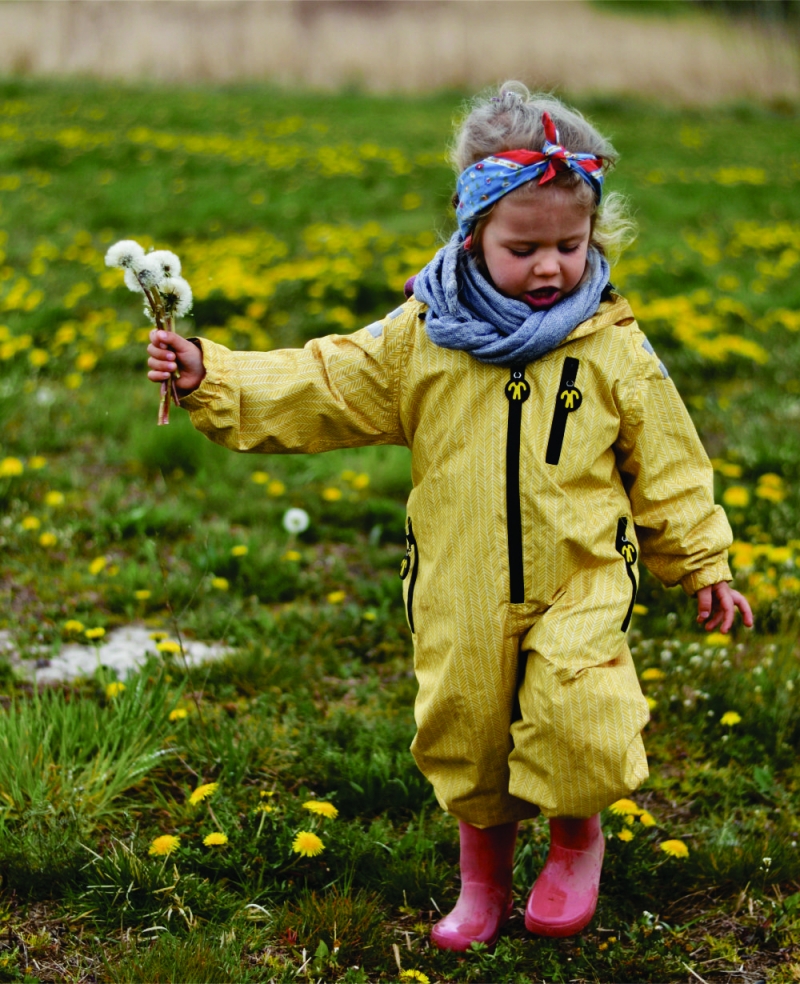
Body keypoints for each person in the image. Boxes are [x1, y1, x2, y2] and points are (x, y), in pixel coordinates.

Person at [146, 83, 753, 950]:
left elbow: (671, 462)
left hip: (579, 576)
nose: (551, 267)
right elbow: (323, 381)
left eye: (570, 245)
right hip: (459, 579)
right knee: (466, 728)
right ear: (472, 234)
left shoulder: (612, 345)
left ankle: (577, 841)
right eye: (525, 247)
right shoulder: (421, 338)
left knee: (579, 716)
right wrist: (216, 373)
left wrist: (702, 563)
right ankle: (484, 878)